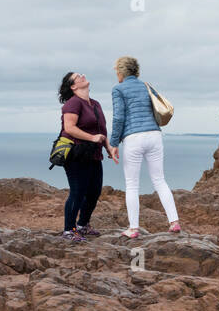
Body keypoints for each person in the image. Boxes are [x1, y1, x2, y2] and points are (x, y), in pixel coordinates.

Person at [108, 56, 180, 238]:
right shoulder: (145, 85)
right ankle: (174, 222)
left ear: (122, 71)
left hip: (133, 137)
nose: (116, 73)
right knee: (160, 179)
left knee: (132, 184)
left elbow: (118, 118)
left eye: (116, 70)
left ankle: (133, 228)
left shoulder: (118, 89)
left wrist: (113, 143)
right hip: (154, 135)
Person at [57, 71, 107, 242]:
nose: (83, 75)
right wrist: (92, 138)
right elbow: (69, 128)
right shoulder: (73, 103)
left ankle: (82, 225)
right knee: (77, 192)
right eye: (78, 76)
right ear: (73, 86)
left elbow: (102, 130)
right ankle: (68, 230)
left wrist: (109, 148)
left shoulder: (95, 104)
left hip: (93, 155)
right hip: (76, 155)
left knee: (94, 192)